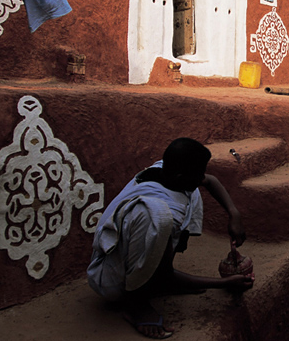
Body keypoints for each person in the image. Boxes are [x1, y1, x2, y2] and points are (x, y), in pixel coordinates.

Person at [87, 138, 254, 340]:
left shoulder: (166, 170)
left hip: (140, 246)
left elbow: (209, 180)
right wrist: (224, 283)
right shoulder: (157, 214)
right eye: (198, 174)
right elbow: (163, 274)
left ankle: (154, 281)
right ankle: (136, 305)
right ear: (181, 175)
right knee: (166, 216)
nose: (202, 177)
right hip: (111, 280)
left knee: (191, 193)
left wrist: (234, 214)